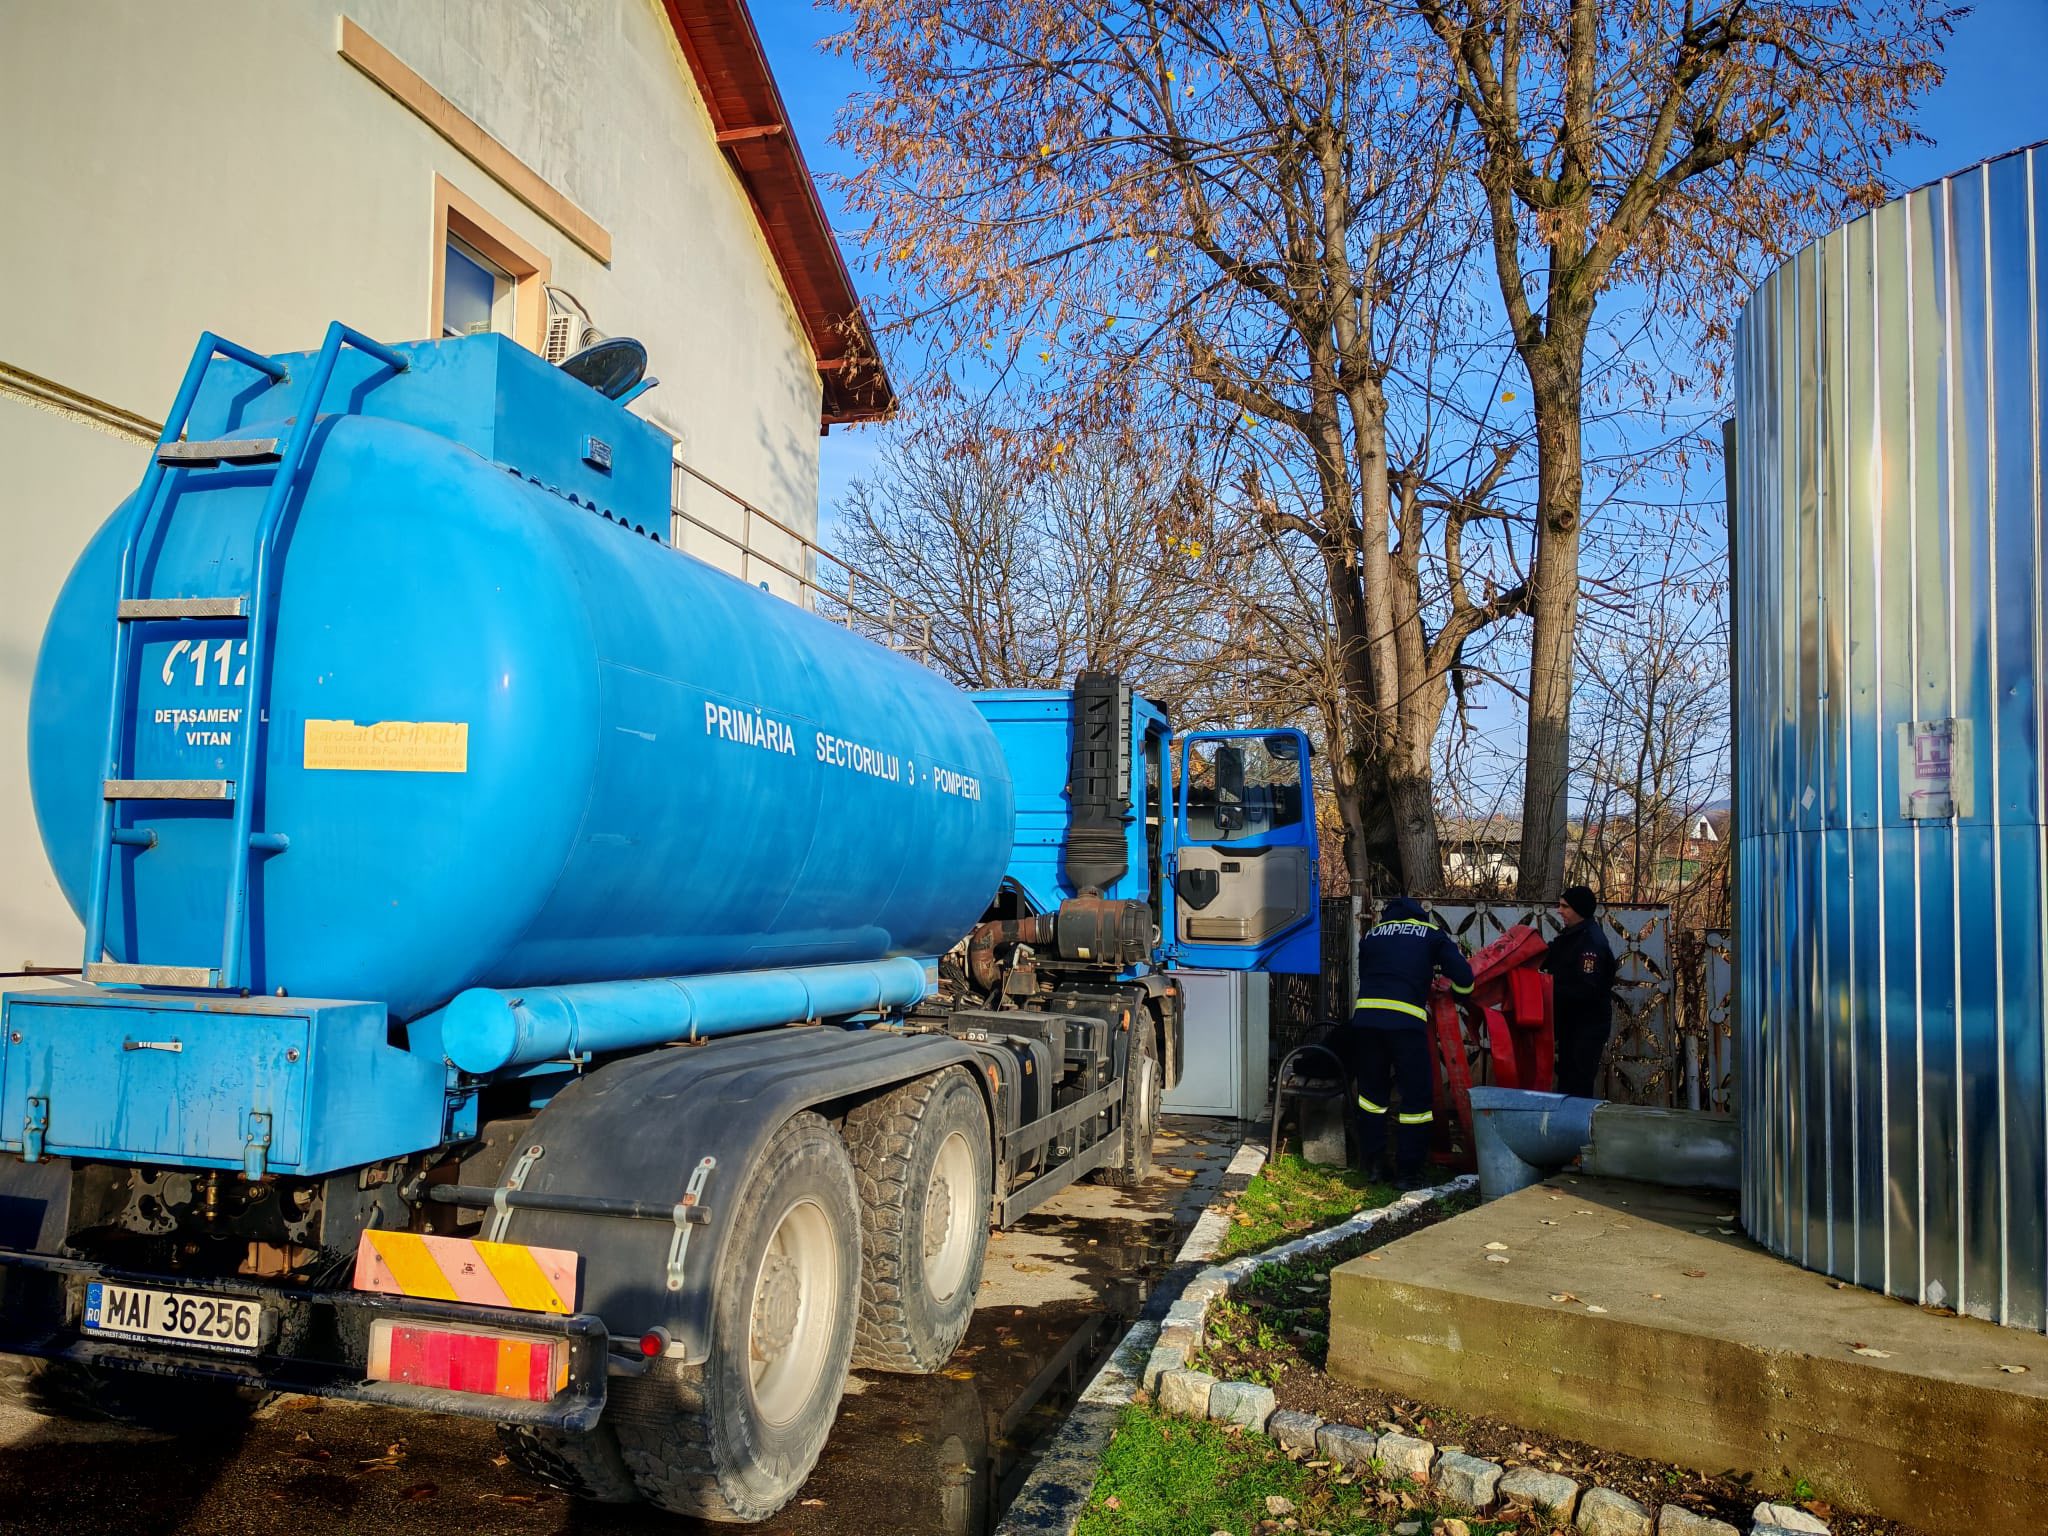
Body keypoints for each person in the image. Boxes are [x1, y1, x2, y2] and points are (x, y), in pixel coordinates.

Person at [1338, 895, 1473, 1187]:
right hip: (1405, 1023)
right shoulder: (1430, 934)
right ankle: (1408, 1172)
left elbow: (1371, 974)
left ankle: (1374, 1166)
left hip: (1367, 1021)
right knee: (1416, 1099)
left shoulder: (1372, 935)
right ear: (1419, 916)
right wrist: (1456, 992)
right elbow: (1465, 977)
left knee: (1371, 1097)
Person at [1546, 884, 1618, 1097]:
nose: (1559, 911)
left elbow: (1587, 989)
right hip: (1572, 1024)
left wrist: (1548, 988)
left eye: (1565, 907)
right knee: (1568, 1081)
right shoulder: (1573, 935)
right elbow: (1550, 954)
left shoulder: (1590, 943)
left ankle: (1579, 1118)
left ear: (1579, 910)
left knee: (1578, 1084)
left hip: (1587, 1026)